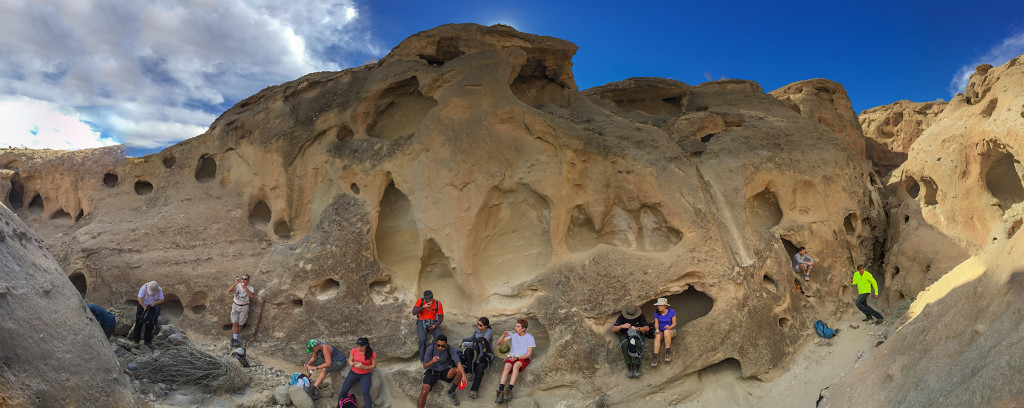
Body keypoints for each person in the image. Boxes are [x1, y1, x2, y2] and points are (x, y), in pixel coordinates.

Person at [418, 334, 466, 407]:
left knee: (458, 371)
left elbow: (458, 362)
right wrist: (432, 361)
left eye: (443, 346)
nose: (440, 348)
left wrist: (464, 375)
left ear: (446, 344)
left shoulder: (450, 349)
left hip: (445, 370)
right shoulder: (430, 348)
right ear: (436, 342)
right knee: (424, 391)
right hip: (432, 371)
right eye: (438, 345)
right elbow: (425, 366)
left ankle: (451, 391)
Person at [494, 319, 535, 403]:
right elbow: (499, 343)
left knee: (516, 365)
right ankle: (500, 391)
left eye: (518, 326)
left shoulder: (530, 337)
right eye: (516, 326)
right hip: (512, 355)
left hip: (523, 357)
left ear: (523, 328)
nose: (516, 328)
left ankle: (509, 390)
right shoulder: (513, 332)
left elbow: (529, 354)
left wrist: (517, 358)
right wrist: (503, 335)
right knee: (506, 367)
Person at [611, 305, 651, 378]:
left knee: (638, 343)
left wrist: (637, 328)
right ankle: (629, 365)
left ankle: (637, 365)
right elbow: (613, 329)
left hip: (637, 334)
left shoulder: (640, 316)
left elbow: (647, 328)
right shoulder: (622, 316)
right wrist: (622, 326)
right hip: (625, 334)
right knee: (625, 344)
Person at [460, 317, 494, 399]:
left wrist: (466, 344)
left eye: (480, 325)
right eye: (478, 324)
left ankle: (474, 391)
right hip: (477, 352)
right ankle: (471, 372)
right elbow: (472, 339)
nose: (478, 326)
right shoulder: (477, 330)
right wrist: (463, 340)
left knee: (480, 368)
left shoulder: (489, 332)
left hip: (485, 354)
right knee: (467, 351)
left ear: (485, 326)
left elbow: (479, 343)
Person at [338, 337, 377, 408]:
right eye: (358, 346)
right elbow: (350, 360)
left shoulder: (372, 354)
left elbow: (374, 365)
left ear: (366, 345)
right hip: (353, 372)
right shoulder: (354, 351)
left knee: (365, 392)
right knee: (344, 390)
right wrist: (351, 363)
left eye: (361, 346)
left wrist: (365, 367)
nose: (359, 348)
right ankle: (339, 406)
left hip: (365, 374)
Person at [412, 290, 444, 360]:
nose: (429, 301)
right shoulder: (420, 301)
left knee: (440, 338)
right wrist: (423, 307)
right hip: (421, 321)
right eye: (428, 299)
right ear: (425, 298)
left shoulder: (438, 303)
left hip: (433, 321)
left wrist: (435, 325)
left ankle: (435, 355)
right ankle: (422, 358)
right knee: (422, 339)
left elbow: (441, 317)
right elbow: (414, 312)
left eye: (431, 299)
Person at [227, 274, 255, 347]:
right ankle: (235, 339)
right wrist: (236, 283)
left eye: (245, 279)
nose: (243, 280)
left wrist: (245, 287)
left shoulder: (250, 287)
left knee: (241, 324)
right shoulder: (237, 285)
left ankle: (234, 338)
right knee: (234, 323)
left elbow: (252, 296)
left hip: (244, 307)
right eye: (242, 278)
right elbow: (229, 290)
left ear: (248, 281)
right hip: (235, 305)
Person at [132, 281, 164, 345]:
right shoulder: (144, 288)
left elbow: (161, 299)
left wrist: (155, 303)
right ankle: (136, 340)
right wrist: (144, 307)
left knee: (150, 324)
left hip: (153, 307)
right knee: (139, 322)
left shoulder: (160, 290)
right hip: (142, 305)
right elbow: (139, 298)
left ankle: (147, 341)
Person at [650, 298, 677, 367]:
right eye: (658, 305)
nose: (659, 306)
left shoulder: (671, 311)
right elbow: (656, 323)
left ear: (665, 305)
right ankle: (655, 356)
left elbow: (674, 323)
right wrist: (657, 330)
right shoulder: (656, 312)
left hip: (670, 330)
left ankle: (667, 351)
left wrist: (669, 327)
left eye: (661, 305)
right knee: (658, 335)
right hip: (661, 331)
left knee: (666, 332)